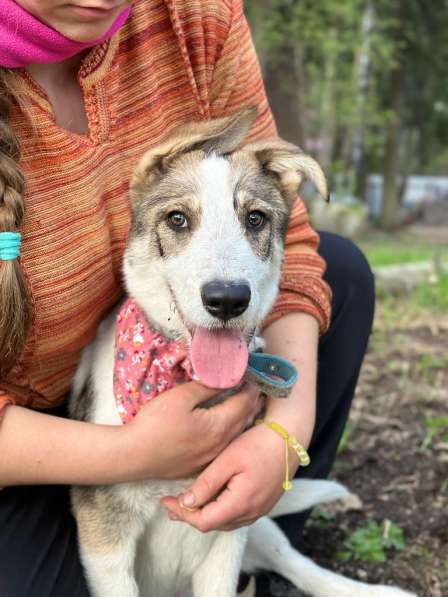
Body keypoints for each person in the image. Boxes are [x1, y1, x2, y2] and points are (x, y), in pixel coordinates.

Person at [0, 1, 375, 595]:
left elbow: (293, 237)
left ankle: (249, 540)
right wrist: (132, 454)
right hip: (23, 447)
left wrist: (282, 434)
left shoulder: (194, 15)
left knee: (343, 274)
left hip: (153, 344)